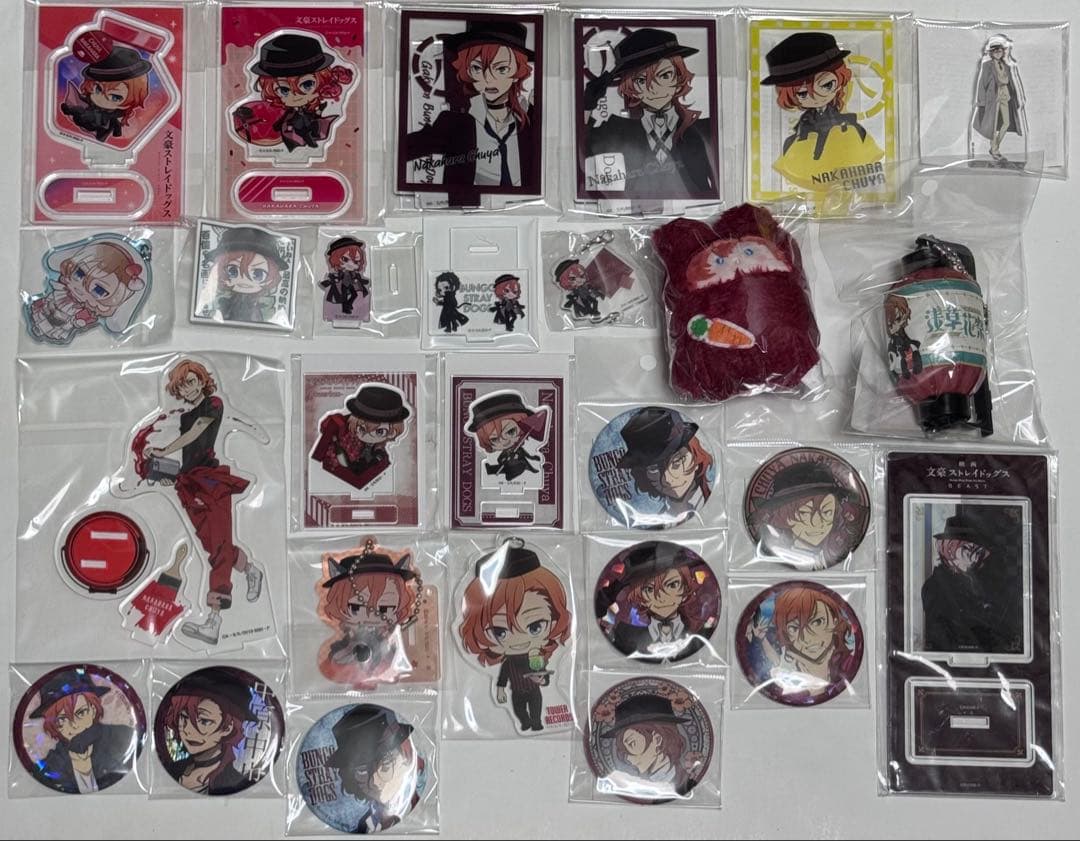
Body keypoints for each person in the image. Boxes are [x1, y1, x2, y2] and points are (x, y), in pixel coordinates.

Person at [142, 359, 263, 645]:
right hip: (188, 483)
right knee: (213, 547)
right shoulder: (185, 416)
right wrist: (162, 467)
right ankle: (250, 569)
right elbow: (187, 446)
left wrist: (163, 449)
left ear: (201, 380)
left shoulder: (213, 404)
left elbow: (195, 433)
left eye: (191, 381)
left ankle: (214, 620)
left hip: (211, 482)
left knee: (219, 550)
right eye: (182, 385)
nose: (188, 388)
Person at [402, 20, 539, 205]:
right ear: (468, 71)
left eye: (501, 69)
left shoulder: (529, 123)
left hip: (527, 213)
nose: (488, 79)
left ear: (517, 72)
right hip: (466, 214)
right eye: (477, 68)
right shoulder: (456, 123)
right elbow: (402, 151)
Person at [583, 28, 717, 199]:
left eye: (664, 76)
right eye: (641, 80)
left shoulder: (705, 131)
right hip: (629, 209)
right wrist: (587, 106)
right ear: (631, 87)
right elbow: (581, 149)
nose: (654, 88)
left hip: (695, 211)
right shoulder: (614, 131)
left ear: (679, 77)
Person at [458, 543, 572, 733]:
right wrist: (500, 690)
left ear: (554, 620)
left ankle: (536, 722)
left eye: (535, 627)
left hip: (534, 690)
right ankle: (525, 722)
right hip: (516, 692)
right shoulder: (508, 662)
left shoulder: (536, 657)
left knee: (536, 706)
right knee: (519, 709)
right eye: (500, 632)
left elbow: (542, 673)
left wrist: (541, 679)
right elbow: (502, 677)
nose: (519, 640)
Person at [760, 32, 884, 190]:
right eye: (803, 94)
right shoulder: (798, 134)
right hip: (807, 156)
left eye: (826, 85)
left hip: (841, 143)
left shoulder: (852, 130)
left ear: (840, 79)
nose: (816, 97)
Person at [319, 542, 421, 687]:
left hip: (384, 662)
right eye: (355, 607)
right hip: (350, 660)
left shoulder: (388, 637)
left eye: (385, 608)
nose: (371, 616)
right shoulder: (344, 646)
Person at [232, 33, 355, 152]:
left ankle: (309, 139)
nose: (295, 96)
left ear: (322, 80)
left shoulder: (308, 108)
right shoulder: (287, 113)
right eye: (284, 90)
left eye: (307, 84)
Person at [921, 514, 1022, 653]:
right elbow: (945, 637)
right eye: (967, 549)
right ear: (949, 549)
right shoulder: (935, 587)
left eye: (978, 551)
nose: (974, 558)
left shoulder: (975, 580)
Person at [25, 236, 150, 345]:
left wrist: (80, 321)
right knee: (45, 312)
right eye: (79, 273)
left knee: (58, 326)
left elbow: (85, 319)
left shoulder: (85, 310)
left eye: (99, 291)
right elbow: (50, 298)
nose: (81, 289)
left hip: (65, 322)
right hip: (50, 308)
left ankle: (45, 330)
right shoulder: (62, 292)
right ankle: (39, 325)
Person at [600, 542, 711, 662]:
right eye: (650, 589)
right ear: (641, 597)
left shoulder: (700, 634)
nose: (661, 595)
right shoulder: (624, 634)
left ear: (685, 591)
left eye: (672, 585)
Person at [31, 670, 138, 794]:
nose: (74, 726)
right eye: (62, 720)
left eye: (81, 713)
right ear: (55, 726)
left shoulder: (123, 737)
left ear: (93, 710)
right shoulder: (53, 765)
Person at [746, 584, 859, 699]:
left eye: (817, 622)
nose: (806, 639)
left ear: (834, 621)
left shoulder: (847, 663)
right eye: (794, 628)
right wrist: (762, 639)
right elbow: (776, 662)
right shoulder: (790, 661)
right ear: (786, 635)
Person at [748, 461, 866, 568]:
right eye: (805, 513)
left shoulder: (834, 552)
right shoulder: (777, 557)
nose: (818, 523)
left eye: (827, 512)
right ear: (785, 517)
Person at [325, 705, 423, 833]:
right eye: (362, 770)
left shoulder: (423, 813)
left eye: (386, 764)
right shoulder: (364, 826)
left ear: (405, 756)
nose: (374, 782)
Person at [158, 670, 254, 795]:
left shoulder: (233, 780)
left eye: (204, 721)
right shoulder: (172, 769)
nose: (188, 730)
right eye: (184, 717)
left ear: (227, 728)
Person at [616, 406, 713, 522]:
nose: (667, 479)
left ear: (695, 455)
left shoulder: (714, 501)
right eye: (653, 469)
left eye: (677, 462)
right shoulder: (656, 517)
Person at [310, 384, 411, 492]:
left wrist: (376, 456)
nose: (368, 435)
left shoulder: (377, 448)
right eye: (361, 429)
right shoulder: (351, 439)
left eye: (380, 432)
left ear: (392, 433)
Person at [599, 694, 693, 798]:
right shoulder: (632, 786)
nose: (628, 759)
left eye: (632, 743)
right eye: (624, 750)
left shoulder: (686, 781)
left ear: (657, 740)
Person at [60, 44, 151, 142]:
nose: (102, 99)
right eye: (98, 89)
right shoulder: (82, 102)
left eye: (115, 97)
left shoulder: (114, 118)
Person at [199, 226, 287, 324]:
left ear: (271, 276)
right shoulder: (221, 299)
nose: (244, 279)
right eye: (233, 271)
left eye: (257, 274)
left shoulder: (264, 305)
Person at [466, 391, 548, 482]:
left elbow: (527, 455)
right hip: (508, 470)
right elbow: (500, 459)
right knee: (502, 470)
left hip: (520, 467)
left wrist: (533, 458)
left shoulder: (519, 450)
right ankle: (492, 471)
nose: (504, 441)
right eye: (495, 439)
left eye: (510, 431)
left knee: (520, 467)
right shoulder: (504, 454)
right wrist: (504, 459)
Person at [972, 34, 1026, 162]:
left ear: (1003, 52)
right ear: (992, 53)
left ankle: (994, 147)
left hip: (1005, 96)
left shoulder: (1006, 65)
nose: (998, 53)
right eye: (995, 51)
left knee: (1006, 123)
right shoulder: (987, 65)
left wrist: (1018, 99)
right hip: (993, 99)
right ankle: (995, 150)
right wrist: (981, 101)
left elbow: (1010, 82)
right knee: (993, 125)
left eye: (1000, 51)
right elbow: (982, 83)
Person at [320, 236, 370, 319]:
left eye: (356, 261)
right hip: (343, 285)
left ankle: (348, 305)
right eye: (345, 259)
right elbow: (336, 277)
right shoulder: (341, 272)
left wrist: (361, 281)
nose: (351, 264)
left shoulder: (353, 273)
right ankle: (345, 309)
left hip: (350, 285)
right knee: (344, 298)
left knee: (354, 295)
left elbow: (357, 278)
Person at [885, 293, 923, 381]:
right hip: (898, 351)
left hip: (905, 346)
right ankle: (902, 374)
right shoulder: (894, 337)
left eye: (898, 319)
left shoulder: (906, 332)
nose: (893, 325)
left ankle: (912, 368)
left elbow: (911, 342)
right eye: (890, 323)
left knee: (912, 352)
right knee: (898, 361)